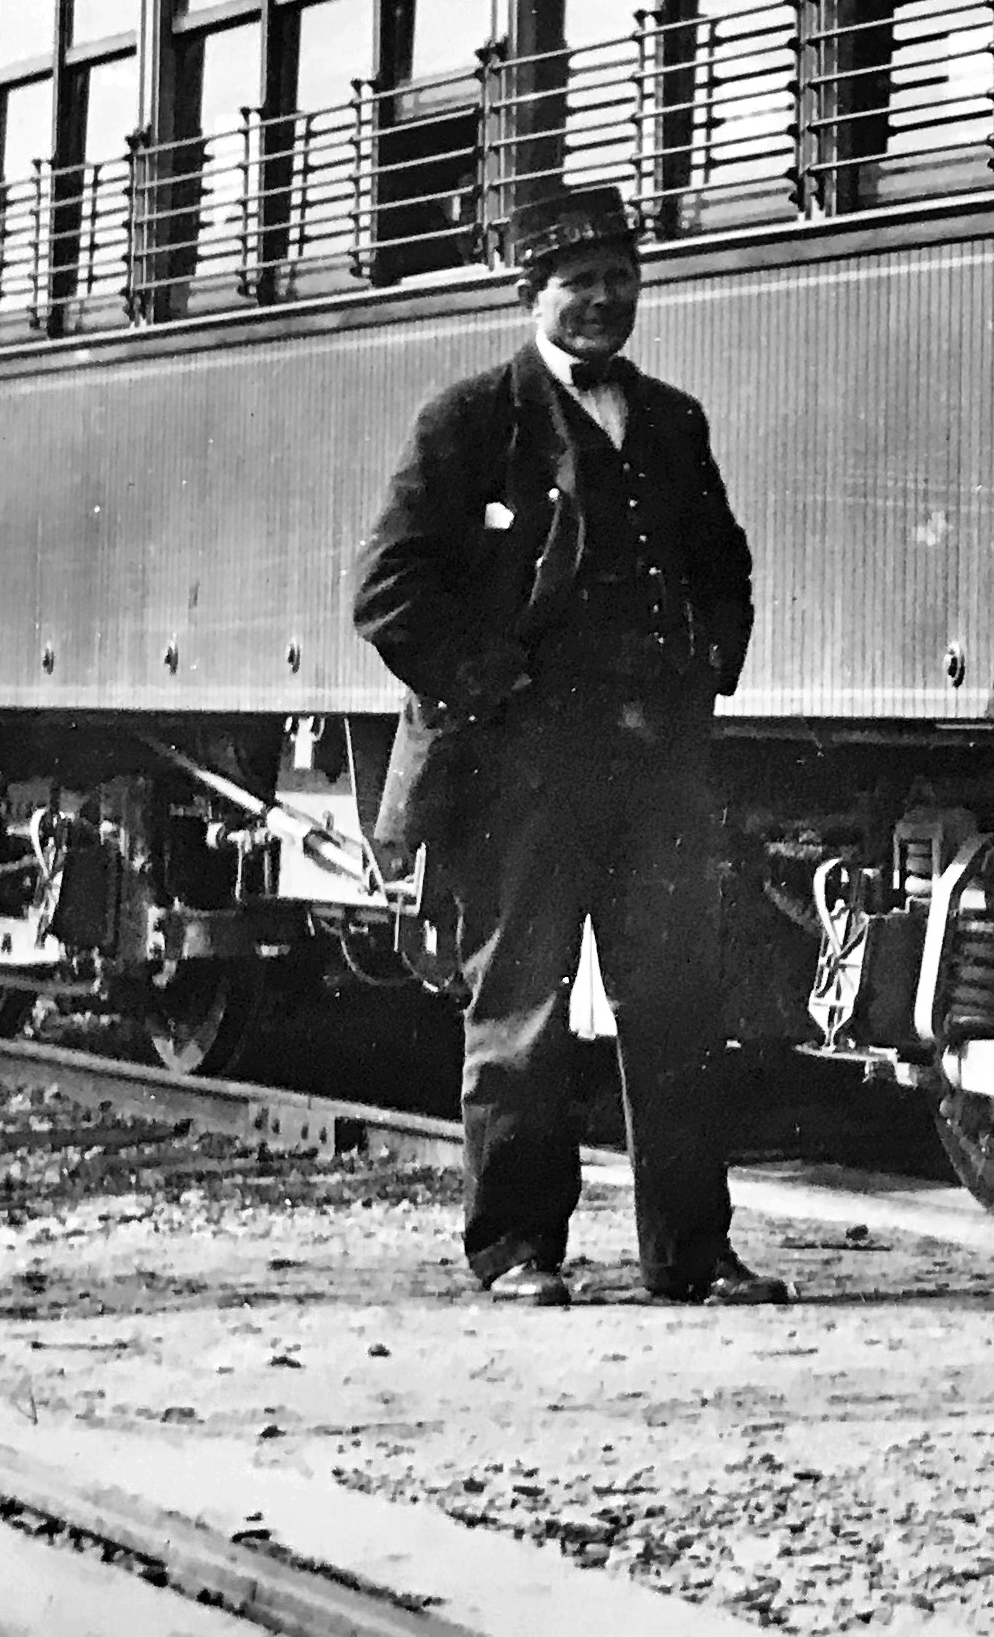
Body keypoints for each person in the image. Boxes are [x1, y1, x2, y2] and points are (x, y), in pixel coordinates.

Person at [352, 187, 778, 1309]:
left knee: (678, 1012)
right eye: (577, 282)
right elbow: (390, 594)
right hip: (521, 777)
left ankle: (693, 1254)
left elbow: (723, 565)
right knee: (521, 1017)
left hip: (655, 773)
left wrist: (704, 668)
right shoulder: (470, 422)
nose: (603, 300)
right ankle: (517, 1252)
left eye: (619, 278)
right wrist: (498, 688)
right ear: (531, 294)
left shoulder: (674, 422)